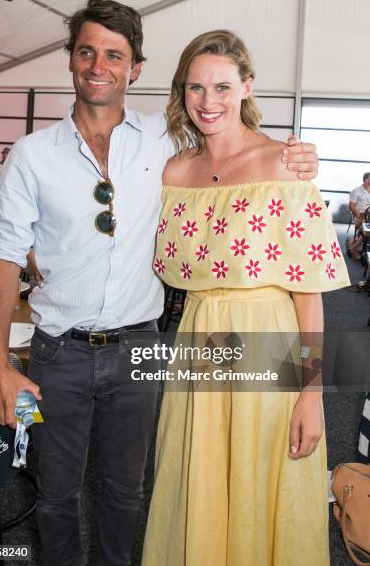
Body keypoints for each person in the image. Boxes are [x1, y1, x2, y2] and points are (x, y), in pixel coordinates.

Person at [0, 0, 319, 566]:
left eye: (114, 55)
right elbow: (4, 255)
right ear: (70, 58)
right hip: (56, 353)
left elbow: (237, 165)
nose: (98, 66)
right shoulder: (31, 155)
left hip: (142, 350)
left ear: (134, 68)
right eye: (86, 51)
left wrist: (301, 158)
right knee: (55, 494)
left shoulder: (166, 148)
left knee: (127, 492)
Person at [142, 30, 350, 566]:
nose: (207, 102)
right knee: (198, 481)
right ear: (181, 92)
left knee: (261, 489)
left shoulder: (285, 164)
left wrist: (311, 394)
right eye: (195, 88)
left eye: (221, 86)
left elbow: (309, 294)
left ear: (246, 87)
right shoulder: (174, 172)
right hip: (198, 339)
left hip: (270, 345)